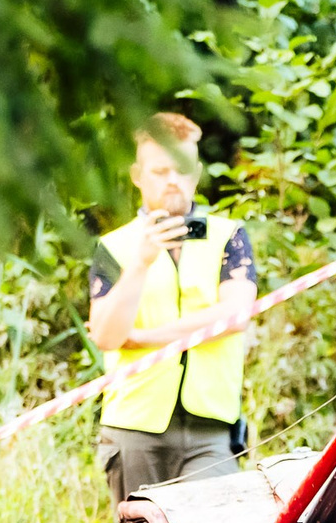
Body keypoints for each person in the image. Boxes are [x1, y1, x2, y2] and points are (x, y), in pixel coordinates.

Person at [89, 112, 259, 500]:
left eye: (180, 169)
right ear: (137, 175)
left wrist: (146, 338)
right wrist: (140, 263)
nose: (172, 180)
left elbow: (234, 316)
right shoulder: (115, 247)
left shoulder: (228, 235)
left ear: (196, 172)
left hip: (211, 428)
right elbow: (108, 335)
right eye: (159, 170)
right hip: (134, 426)